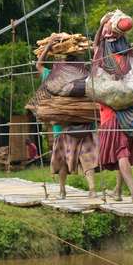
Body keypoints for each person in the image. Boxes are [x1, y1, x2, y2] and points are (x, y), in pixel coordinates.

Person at [91, 11, 133, 203]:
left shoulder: (102, 60)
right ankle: (117, 190)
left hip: (111, 115)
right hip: (131, 115)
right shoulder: (131, 61)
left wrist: (102, 25)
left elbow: (96, 44)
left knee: (121, 153)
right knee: (122, 152)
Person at [35, 34, 99, 199]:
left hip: (62, 127)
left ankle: (62, 191)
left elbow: (38, 65)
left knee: (61, 159)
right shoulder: (85, 74)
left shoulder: (53, 75)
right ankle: (92, 189)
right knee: (88, 157)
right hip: (85, 124)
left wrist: (48, 45)